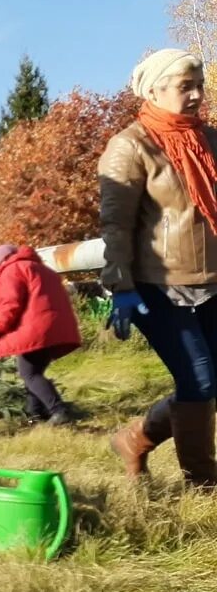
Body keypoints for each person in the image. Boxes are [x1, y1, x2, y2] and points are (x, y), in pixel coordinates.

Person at [102, 48, 217, 484]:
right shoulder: (130, 146)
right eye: (185, 86)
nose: (196, 95)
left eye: (199, 85)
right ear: (154, 90)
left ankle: (135, 439)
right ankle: (203, 482)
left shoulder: (210, 140)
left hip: (213, 282)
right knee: (200, 382)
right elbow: (116, 225)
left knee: (210, 386)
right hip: (158, 286)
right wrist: (121, 285)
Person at [0, 244, 81, 425]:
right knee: (33, 372)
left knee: (28, 373)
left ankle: (58, 411)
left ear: (1, 261)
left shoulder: (12, 269)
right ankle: (35, 414)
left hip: (35, 329)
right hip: (53, 327)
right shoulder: (44, 269)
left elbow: (10, 302)